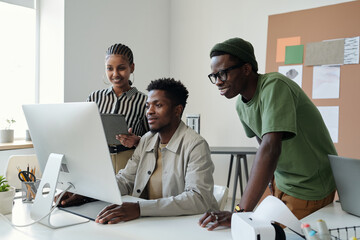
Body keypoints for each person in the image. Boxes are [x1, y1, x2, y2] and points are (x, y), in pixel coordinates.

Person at [199, 37, 337, 230]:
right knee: (254, 229)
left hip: (309, 185)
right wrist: (268, 185)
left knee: (267, 233)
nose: (218, 82)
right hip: (282, 182)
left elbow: (270, 149)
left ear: (246, 69)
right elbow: (263, 143)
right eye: (214, 76)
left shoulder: (275, 86)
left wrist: (239, 212)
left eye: (222, 73)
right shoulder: (241, 104)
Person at [58, 78, 219, 224]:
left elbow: (198, 199)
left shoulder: (196, 145)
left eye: (158, 105)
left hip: (185, 226)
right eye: (148, 106)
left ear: (177, 110)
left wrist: (140, 208)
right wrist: (85, 194)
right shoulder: (147, 140)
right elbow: (125, 180)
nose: (149, 111)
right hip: (150, 223)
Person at [87, 43, 149, 173]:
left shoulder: (144, 101)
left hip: (130, 162)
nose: (115, 74)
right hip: (99, 161)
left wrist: (137, 140)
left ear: (132, 68)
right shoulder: (94, 98)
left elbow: (154, 138)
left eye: (121, 68)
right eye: (110, 68)